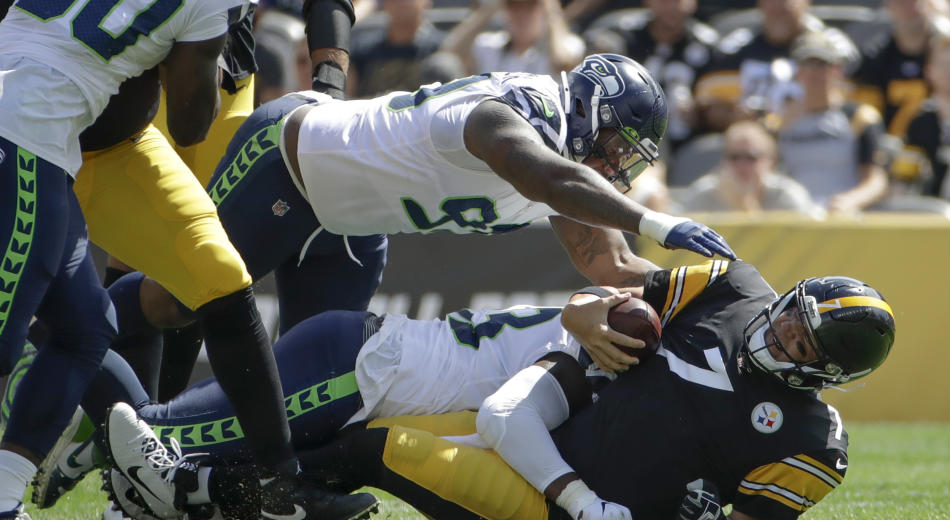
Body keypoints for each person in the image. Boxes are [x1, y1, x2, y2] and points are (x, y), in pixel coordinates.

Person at [101, 256, 896, 520]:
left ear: (823, 374)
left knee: (377, 450)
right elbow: (608, 300)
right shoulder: (731, 287)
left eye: (802, 344)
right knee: (362, 431)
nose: (783, 333)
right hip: (556, 441)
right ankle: (198, 499)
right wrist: (588, 316)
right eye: (794, 315)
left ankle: (194, 494)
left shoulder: (811, 437)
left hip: (559, 519)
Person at [125, 53, 736, 379]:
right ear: (586, 108)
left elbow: (613, 264)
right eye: (617, 146)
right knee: (179, 301)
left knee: (312, 370)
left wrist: (723, 300)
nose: (617, 166)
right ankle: (76, 324)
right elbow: (546, 176)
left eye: (630, 159)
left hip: (354, 221)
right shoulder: (517, 114)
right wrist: (658, 222)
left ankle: (204, 470)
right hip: (291, 162)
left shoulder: (571, 170)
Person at [36, 0, 381, 520]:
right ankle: (129, 454)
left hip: (213, 72)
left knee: (203, 275)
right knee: (127, 275)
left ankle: (160, 464)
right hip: (101, 89)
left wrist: (329, 88)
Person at [0, 0, 259, 520]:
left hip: (40, 129)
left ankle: (0, 507)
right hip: (24, 129)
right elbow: (191, 123)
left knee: (85, 328)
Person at [693, 0, 857, 133]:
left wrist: (800, 112)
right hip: (754, 149)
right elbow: (709, 105)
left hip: (818, 140)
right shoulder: (733, 50)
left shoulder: (835, 49)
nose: (779, 6)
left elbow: (858, 103)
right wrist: (735, 117)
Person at [777, 32, 890, 215]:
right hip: (792, 215)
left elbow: (876, 180)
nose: (813, 73)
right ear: (798, 71)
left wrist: (851, 200)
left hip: (842, 216)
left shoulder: (860, 118)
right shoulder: (780, 120)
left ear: (837, 70)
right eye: (807, 65)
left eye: (821, 65)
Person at [612, 0, 721, 152]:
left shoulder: (709, 46)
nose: (672, 7)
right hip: (629, 139)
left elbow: (718, 105)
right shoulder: (624, 37)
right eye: (664, 1)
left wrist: (700, 112)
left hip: (686, 145)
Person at [852, 0, 950, 138]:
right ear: (889, 6)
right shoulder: (875, 58)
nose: (910, 8)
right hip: (894, 147)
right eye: (901, 2)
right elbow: (868, 116)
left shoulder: (946, 52)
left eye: (915, 1)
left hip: (943, 140)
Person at [679, 120, 822, 216]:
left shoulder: (787, 195)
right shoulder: (703, 194)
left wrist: (744, 205)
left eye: (751, 157)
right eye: (734, 157)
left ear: (770, 161)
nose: (741, 165)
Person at [441, 0, 586, 77]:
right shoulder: (490, 45)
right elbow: (450, 51)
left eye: (529, 6)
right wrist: (490, 8)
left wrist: (551, 8)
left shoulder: (562, 44)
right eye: (514, 6)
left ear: (542, 10)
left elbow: (563, 61)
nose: (521, 14)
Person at [896, 35, 950, 200]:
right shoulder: (919, 119)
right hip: (930, 215)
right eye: (944, 66)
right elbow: (904, 177)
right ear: (929, 71)